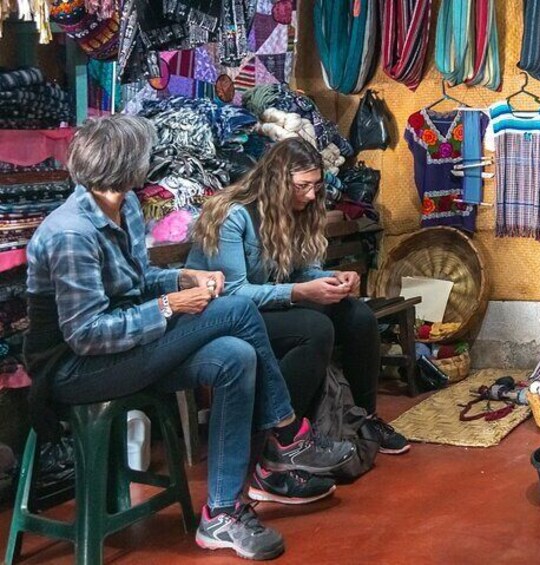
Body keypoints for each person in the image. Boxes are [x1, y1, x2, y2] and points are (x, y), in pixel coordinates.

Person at [24, 116, 355, 561]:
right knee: (237, 309)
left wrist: (181, 276)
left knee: (235, 356)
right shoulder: (71, 233)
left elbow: (138, 281)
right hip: (76, 369)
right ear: (129, 164)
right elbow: (87, 335)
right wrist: (171, 306)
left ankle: (221, 511)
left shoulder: (125, 208)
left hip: (125, 346)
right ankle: (289, 433)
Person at [187, 138, 409, 454]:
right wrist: (300, 292)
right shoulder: (233, 215)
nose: (310, 194)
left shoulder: (296, 211)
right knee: (314, 329)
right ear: (277, 181)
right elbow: (234, 293)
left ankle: (364, 418)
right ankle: (281, 436)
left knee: (358, 316)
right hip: (223, 314)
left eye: (316, 186)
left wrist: (333, 279)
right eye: (301, 186)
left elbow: (300, 271)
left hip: (264, 304)